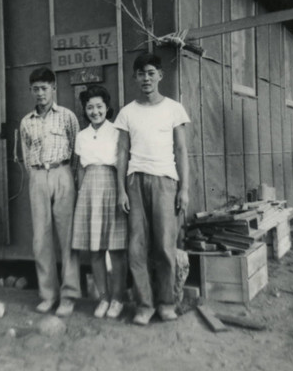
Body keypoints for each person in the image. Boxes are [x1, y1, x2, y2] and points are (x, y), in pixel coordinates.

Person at [114, 52, 190, 326]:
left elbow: (181, 149)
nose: (146, 78)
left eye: (150, 73)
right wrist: (122, 190)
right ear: (134, 78)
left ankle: (167, 303)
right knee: (137, 247)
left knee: (165, 246)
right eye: (140, 74)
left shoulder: (173, 108)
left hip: (165, 182)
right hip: (135, 182)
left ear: (160, 75)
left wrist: (184, 189)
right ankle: (144, 305)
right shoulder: (127, 112)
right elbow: (121, 152)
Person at [20, 67, 81, 317]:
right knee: (41, 238)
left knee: (67, 237)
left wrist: (67, 175)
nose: (40, 93)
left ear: (54, 88)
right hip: (37, 176)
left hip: (63, 173)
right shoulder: (26, 121)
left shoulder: (67, 117)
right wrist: (37, 176)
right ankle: (48, 295)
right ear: (31, 91)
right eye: (36, 89)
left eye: (45, 88)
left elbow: (77, 149)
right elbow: (25, 155)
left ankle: (68, 296)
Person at [72, 85, 128, 319]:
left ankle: (118, 299)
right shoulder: (82, 136)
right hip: (89, 189)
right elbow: (81, 169)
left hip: (113, 185)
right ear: (85, 110)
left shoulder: (117, 131)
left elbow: (123, 164)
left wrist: (122, 192)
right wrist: (79, 195)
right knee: (95, 249)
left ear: (107, 108)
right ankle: (103, 298)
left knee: (116, 249)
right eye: (90, 107)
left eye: (99, 106)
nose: (95, 111)